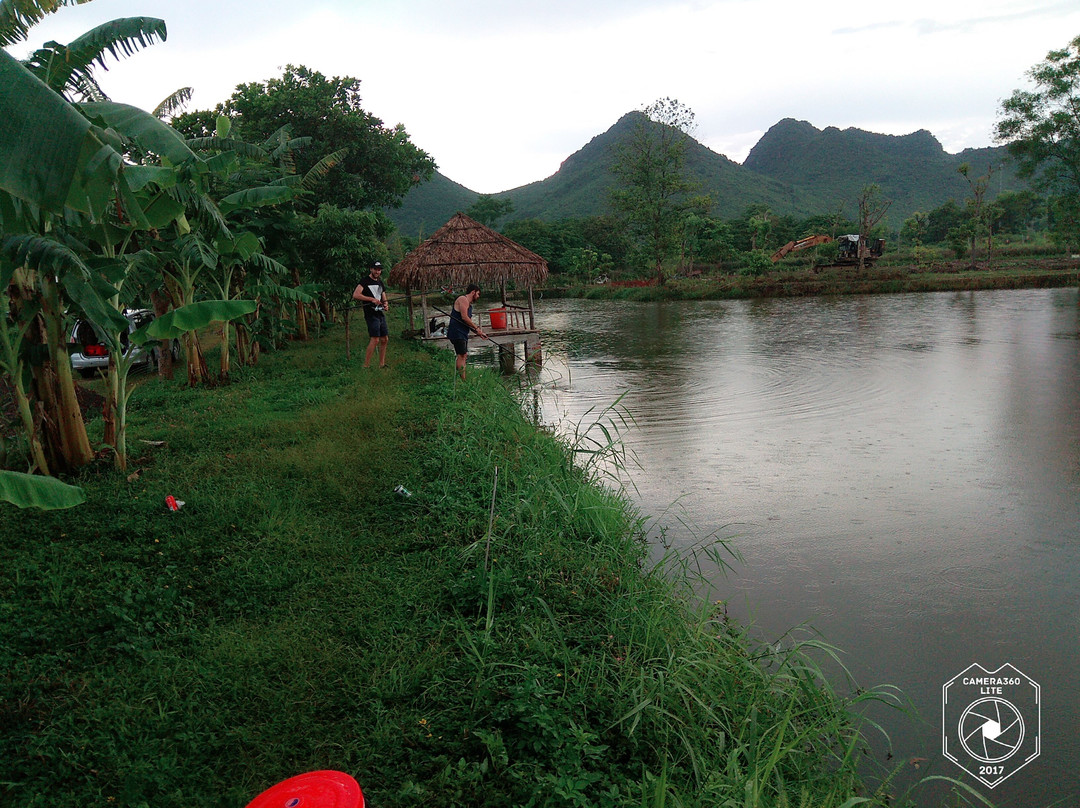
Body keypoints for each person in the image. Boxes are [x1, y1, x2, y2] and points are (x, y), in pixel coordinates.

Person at [352, 261, 389, 368]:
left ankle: (381, 364)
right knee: (375, 339)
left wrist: (386, 304)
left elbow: (383, 296)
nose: (378, 271)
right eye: (375, 269)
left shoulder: (380, 282)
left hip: (380, 313)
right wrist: (371, 299)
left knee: (385, 339)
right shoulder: (364, 281)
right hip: (370, 314)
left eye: (379, 269)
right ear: (371, 269)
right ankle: (366, 365)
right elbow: (356, 295)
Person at [446, 284, 486, 379]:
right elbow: (464, 317)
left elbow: (468, 322)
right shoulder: (463, 299)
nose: (478, 296)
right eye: (478, 294)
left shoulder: (469, 305)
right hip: (457, 332)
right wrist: (477, 328)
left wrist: (479, 333)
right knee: (461, 355)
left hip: (463, 332)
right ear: (473, 292)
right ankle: (463, 381)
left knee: (464, 355)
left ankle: (462, 378)